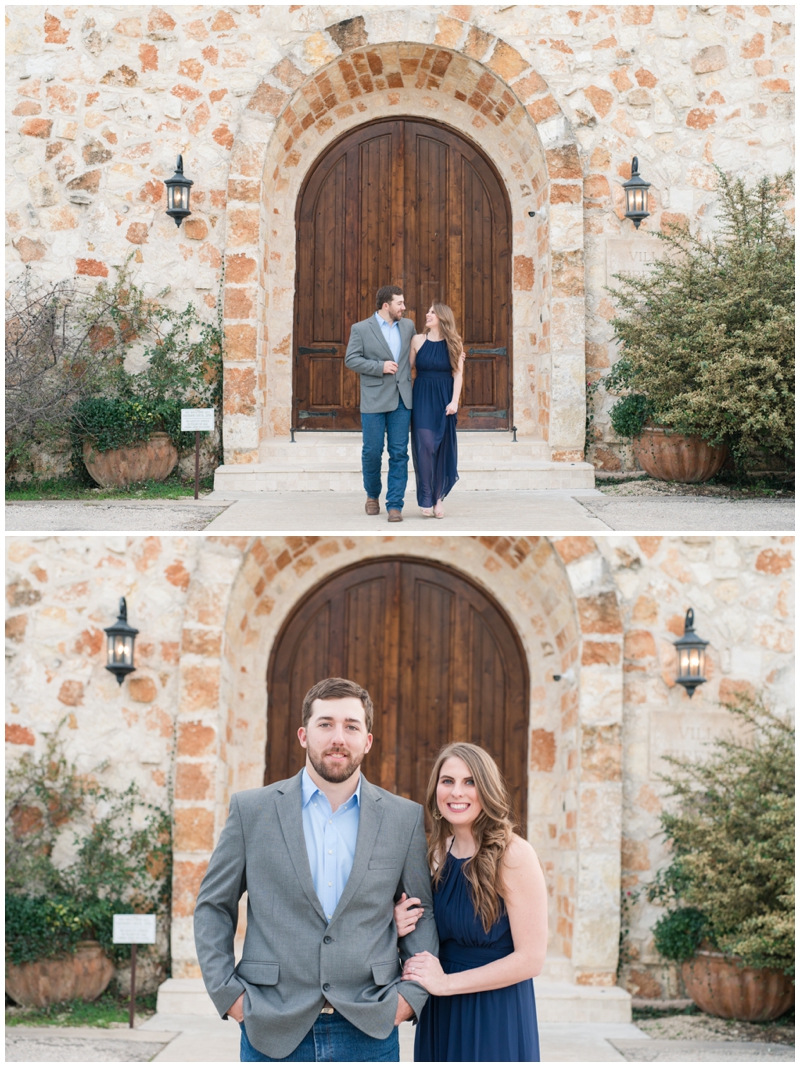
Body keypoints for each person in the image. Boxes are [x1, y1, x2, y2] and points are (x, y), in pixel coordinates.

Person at [194, 677, 438, 1062]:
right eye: (326, 724)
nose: (338, 737)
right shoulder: (250, 811)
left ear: (367, 741)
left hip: (369, 1026)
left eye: (351, 726)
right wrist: (230, 996)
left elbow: (422, 912)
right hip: (271, 1025)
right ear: (304, 735)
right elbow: (213, 907)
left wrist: (409, 999)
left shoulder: (402, 819)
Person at [394, 742, 547, 1062]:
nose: (456, 792)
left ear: (487, 789)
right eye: (447, 781)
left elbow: (531, 959)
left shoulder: (514, 855)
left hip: (494, 1013)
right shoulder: (436, 854)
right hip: (441, 1011)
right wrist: (394, 924)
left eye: (470, 782)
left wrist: (446, 983)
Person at [344, 286, 416, 523]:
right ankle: (372, 494)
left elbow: (419, 351)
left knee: (399, 453)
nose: (403, 307)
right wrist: (379, 367)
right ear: (386, 305)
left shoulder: (408, 326)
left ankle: (395, 504)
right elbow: (351, 359)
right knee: (372, 452)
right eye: (400, 303)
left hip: (402, 399)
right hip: (374, 400)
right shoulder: (361, 329)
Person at [409, 304, 465, 518]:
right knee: (426, 445)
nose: (427, 314)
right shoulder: (417, 340)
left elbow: (458, 374)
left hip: (444, 399)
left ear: (442, 318)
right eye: (428, 312)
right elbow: (407, 369)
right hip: (422, 397)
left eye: (432, 312)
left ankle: (437, 499)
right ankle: (425, 494)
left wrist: (454, 402)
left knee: (441, 449)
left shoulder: (455, 342)